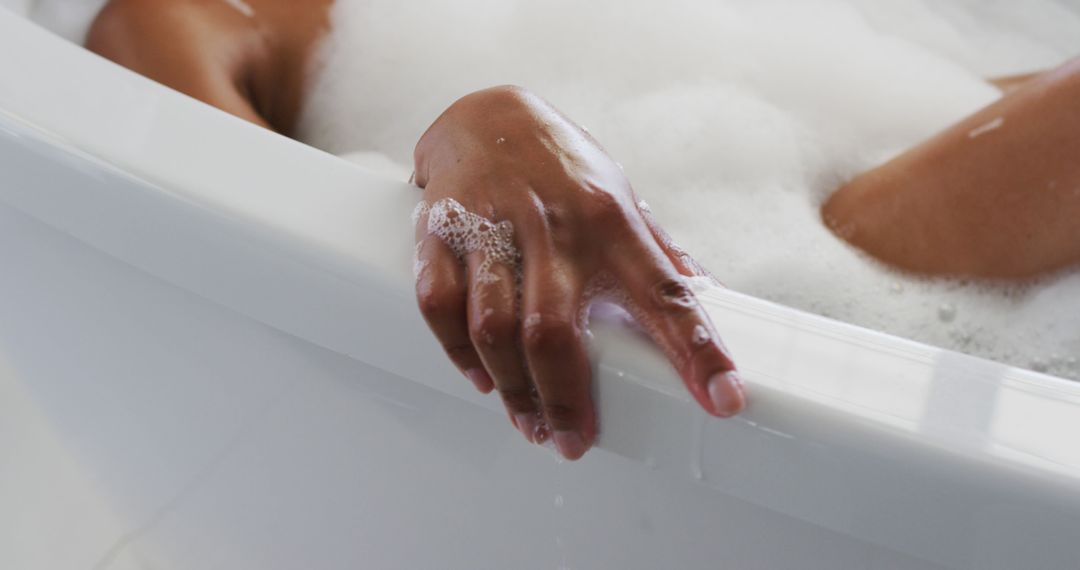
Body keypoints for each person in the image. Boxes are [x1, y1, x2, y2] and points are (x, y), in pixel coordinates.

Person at [82, 0, 1080, 460]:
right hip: (753, 294)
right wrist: (477, 121)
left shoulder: (816, 44)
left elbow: (960, 117)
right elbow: (157, 52)